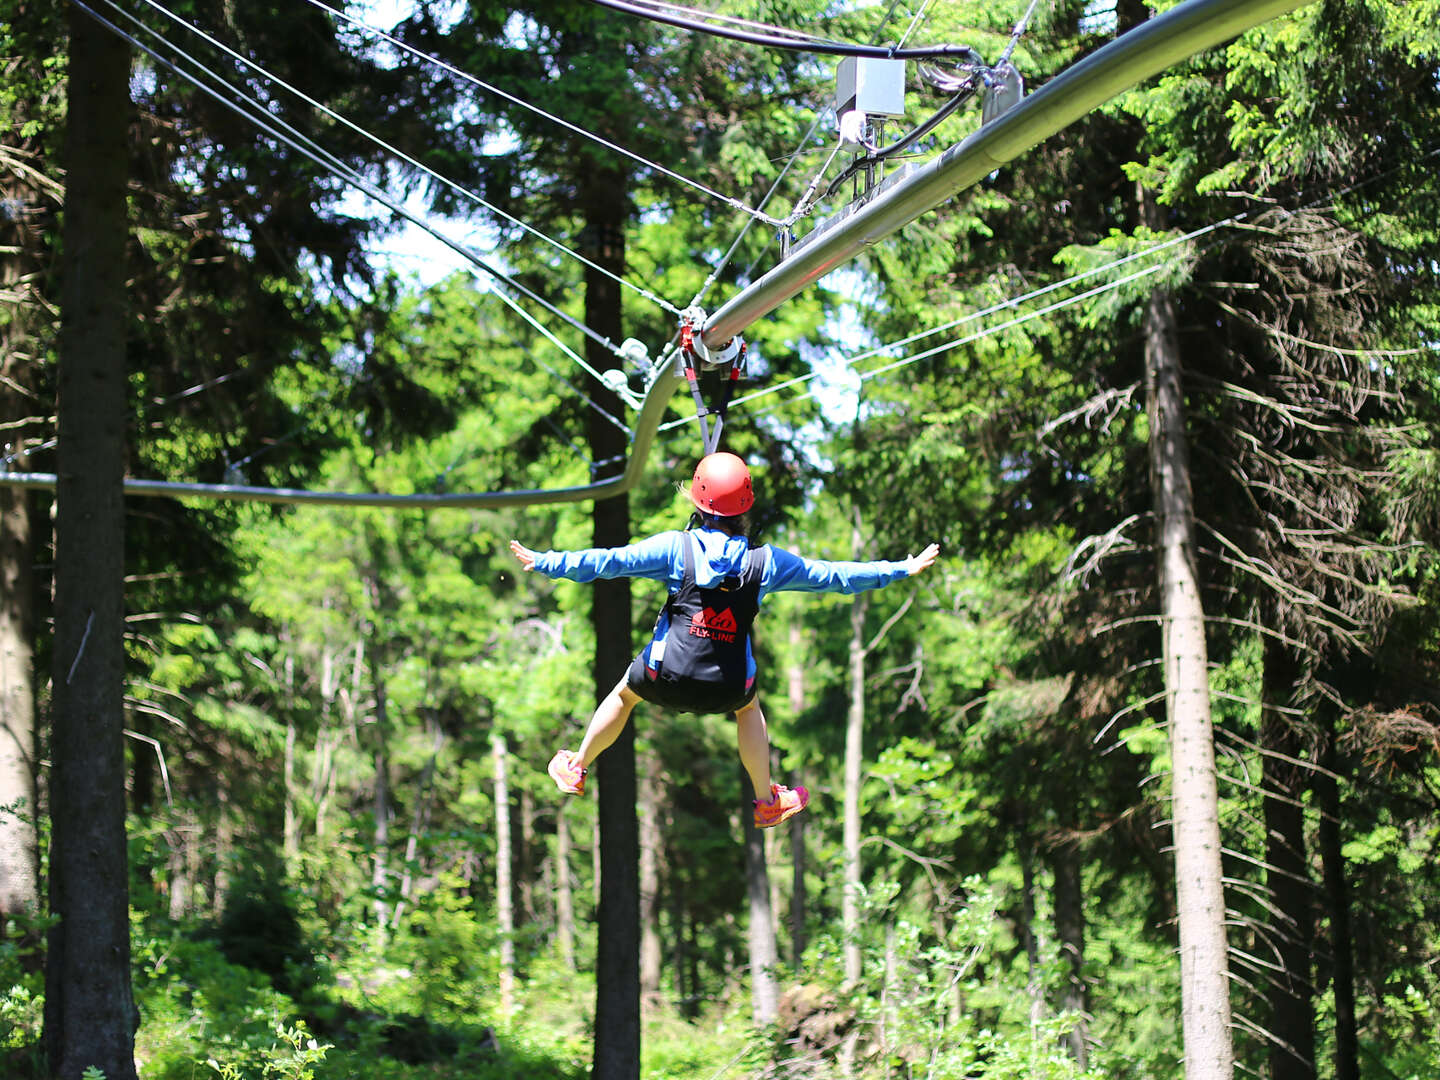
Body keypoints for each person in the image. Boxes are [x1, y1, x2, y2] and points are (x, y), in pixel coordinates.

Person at [509, 452, 939, 828]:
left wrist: (549, 561)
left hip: (664, 675)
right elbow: (835, 576)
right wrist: (898, 568)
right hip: (727, 688)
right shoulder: (766, 562)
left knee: (625, 695)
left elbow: (609, 562)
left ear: (697, 499)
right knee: (749, 709)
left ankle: (577, 767)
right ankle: (768, 802)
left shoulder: (675, 549)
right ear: (746, 506)